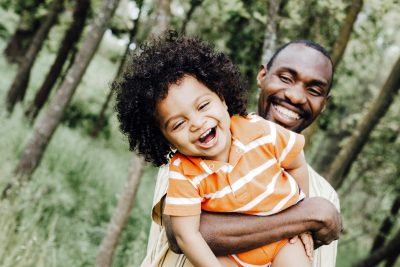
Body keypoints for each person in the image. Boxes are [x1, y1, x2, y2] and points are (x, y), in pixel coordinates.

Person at [114, 32, 318, 267]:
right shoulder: (184, 172)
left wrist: (303, 215)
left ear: (222, 97)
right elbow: (185, 235)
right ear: (165, 139)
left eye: (203, 105)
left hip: (283, 243)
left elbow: (297, 161)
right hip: (230, 256)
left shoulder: (259, 131)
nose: (197, 123)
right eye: (178, 124)